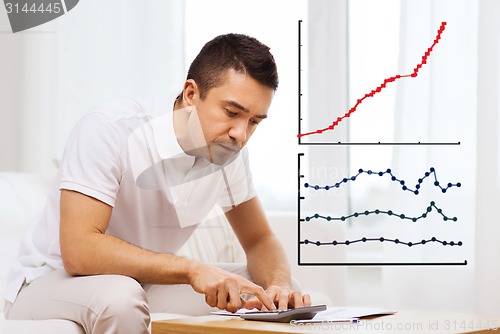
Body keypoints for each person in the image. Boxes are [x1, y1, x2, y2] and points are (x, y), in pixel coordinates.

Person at [3, 33, 311, 333]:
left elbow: (258, 240)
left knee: (270, 296)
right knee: (120, 298)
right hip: (49, 282)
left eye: (254, 122)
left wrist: (279, 286)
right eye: (232, 112)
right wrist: (193, 269)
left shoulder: (228, 153)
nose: (241, 134)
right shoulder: (109, 129)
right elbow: (79, 250)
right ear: (191, 94)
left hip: (140, 283)